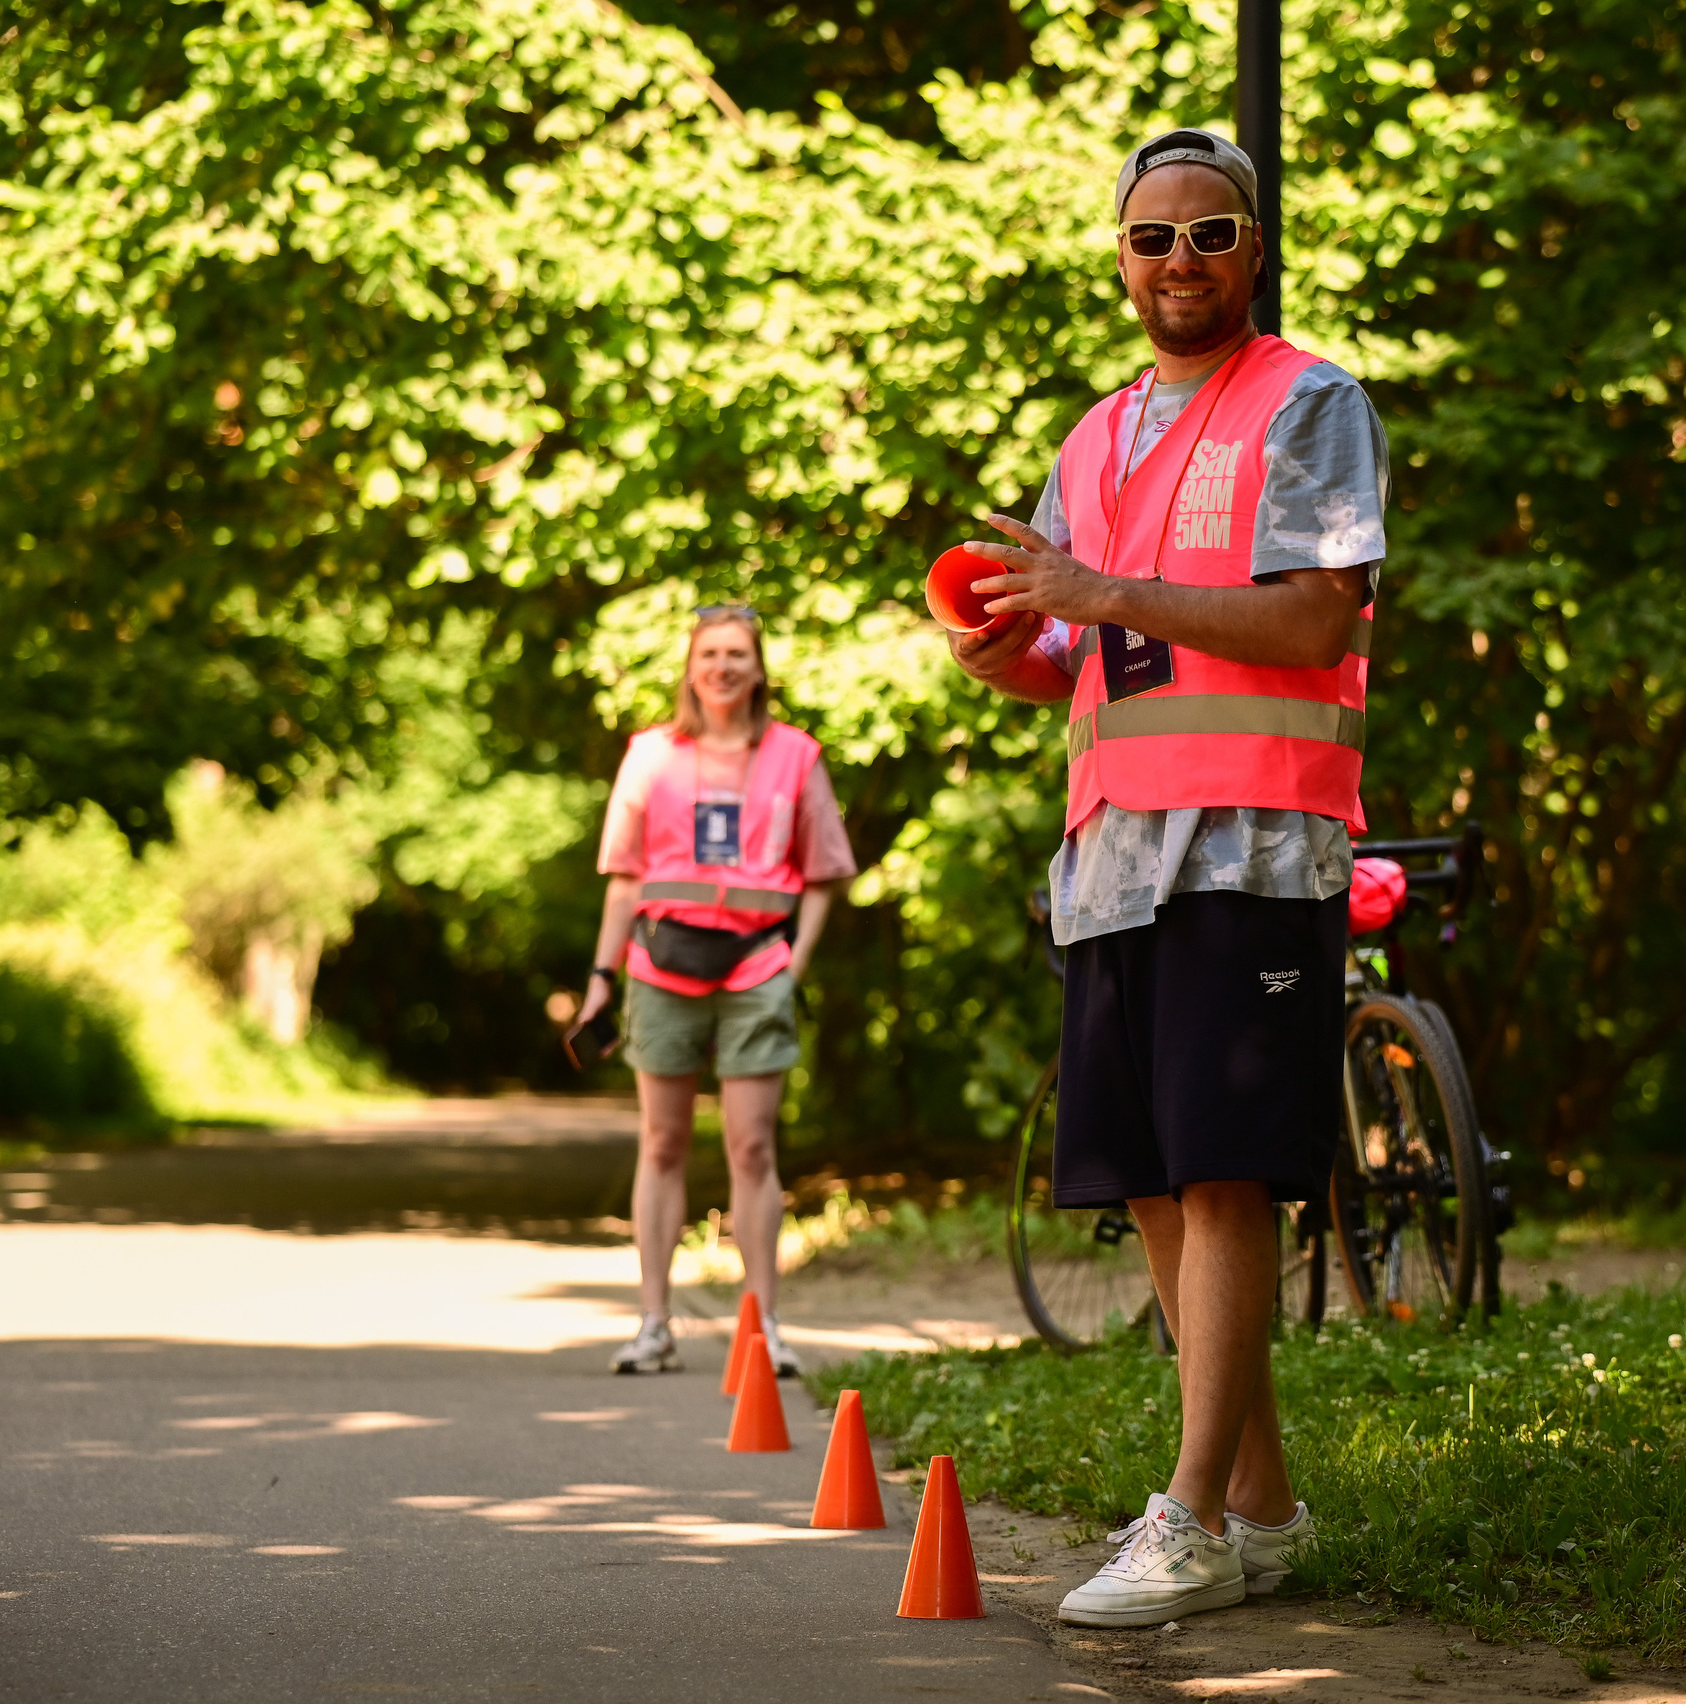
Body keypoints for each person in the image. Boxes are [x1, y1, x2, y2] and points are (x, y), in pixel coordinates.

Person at [946, 130, 1390, 1627]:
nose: (1179, 263)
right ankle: (1261, 1509)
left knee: (1223, 1173)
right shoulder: (1096, 436)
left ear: (1251, 247)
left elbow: (1318, 620)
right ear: (1118, 258)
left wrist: (1098, 593)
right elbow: (1091, 654)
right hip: (1114, 850)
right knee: (1145, 1176)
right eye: (1152, 239)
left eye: (1208, 235)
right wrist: (1018, 648)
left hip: (1255, 838)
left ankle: (1191, 1518)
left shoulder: (1311, 402)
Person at [577, 606, 857, 1378]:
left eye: (738, 654)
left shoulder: (796, 756)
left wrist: (792, 967)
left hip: (756, 973)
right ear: (690, 668)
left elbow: (829, 873)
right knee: (661, 1143)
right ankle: (654, 1322)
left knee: (753, 1147)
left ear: (758, 669)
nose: (723, 666)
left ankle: (764, 1326)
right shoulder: (649, 755)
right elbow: (623, 881)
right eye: (710, 653)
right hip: (660, 969)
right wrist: (601, 979)